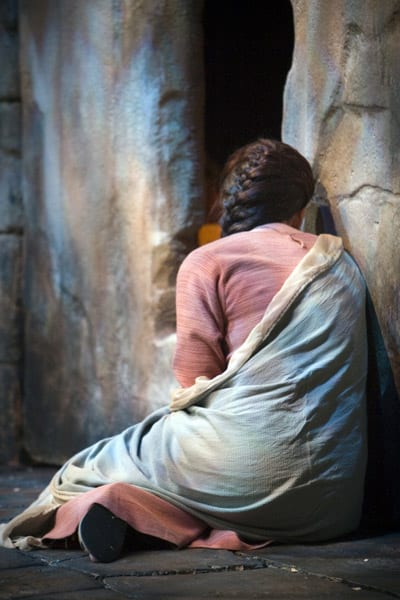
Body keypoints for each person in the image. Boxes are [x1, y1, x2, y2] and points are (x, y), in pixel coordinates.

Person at [0, 138, 368, 562]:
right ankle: (124, 509)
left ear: (230, 203)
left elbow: (194, 382)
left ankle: (107, 506)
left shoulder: (209, 261)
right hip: (332, 503)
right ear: (300, 206)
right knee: (208, 483)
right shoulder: (340, 265)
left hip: (247, 475)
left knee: (91, 464)